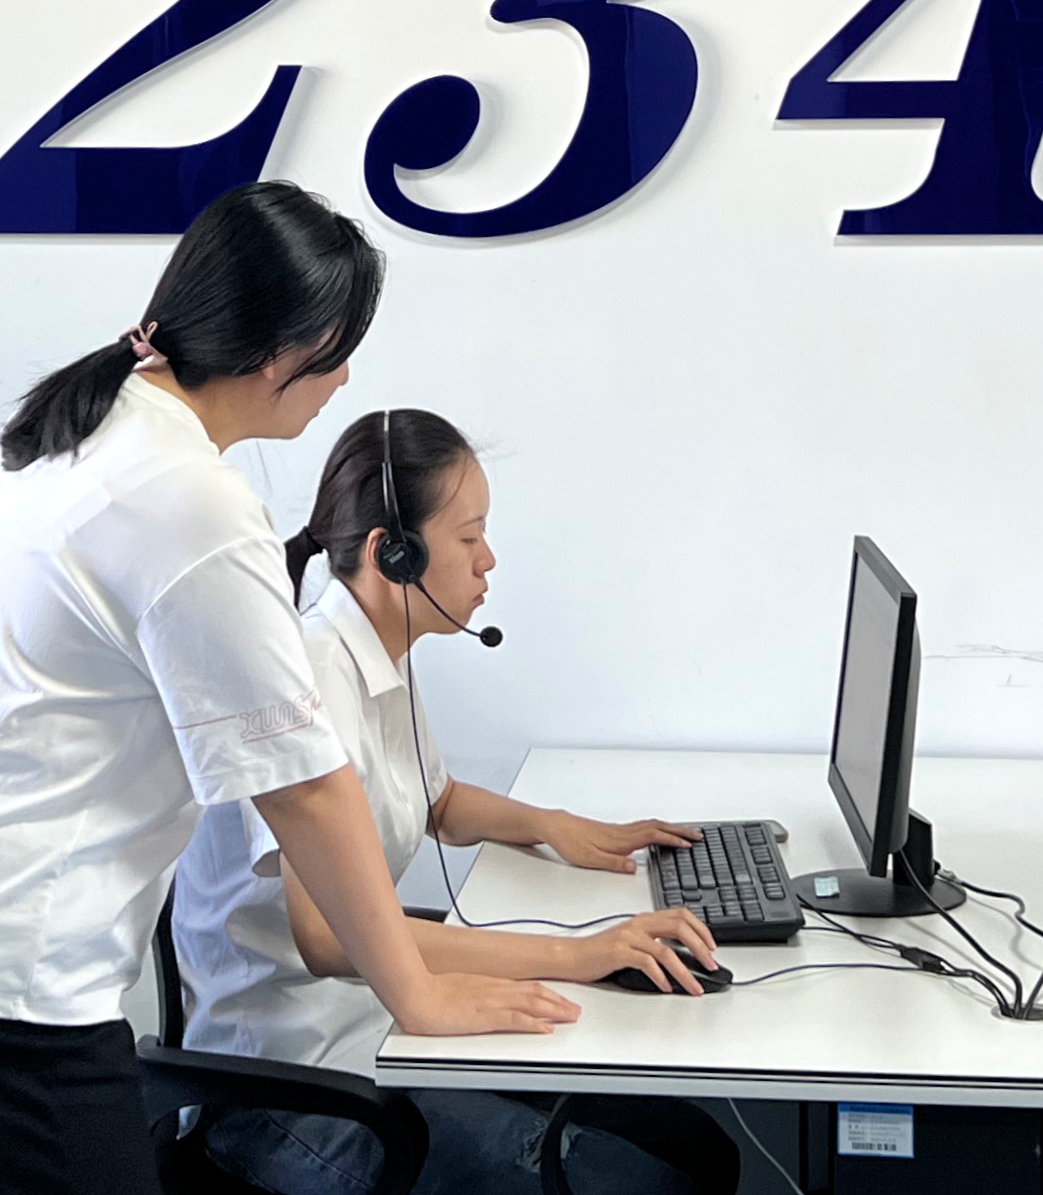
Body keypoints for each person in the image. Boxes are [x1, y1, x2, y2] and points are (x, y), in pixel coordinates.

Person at [0, 182, 572, 1195]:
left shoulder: (70, 428)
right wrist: (419, 997)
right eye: (338, 353)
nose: (345, 379)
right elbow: (304, 790)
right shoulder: (190, 503)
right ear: (280, 354)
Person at [173, 408, 725, 1195]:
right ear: (392, 554)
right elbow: (326, 938)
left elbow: (439, 801)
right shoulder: (310, 680)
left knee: (693, 1148)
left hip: (379, 1025)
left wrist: (560, 827)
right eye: (469, 538)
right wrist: (575, 954)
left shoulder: (374, 654)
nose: (487, 560)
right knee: (651, 1184)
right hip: (293, 1086)